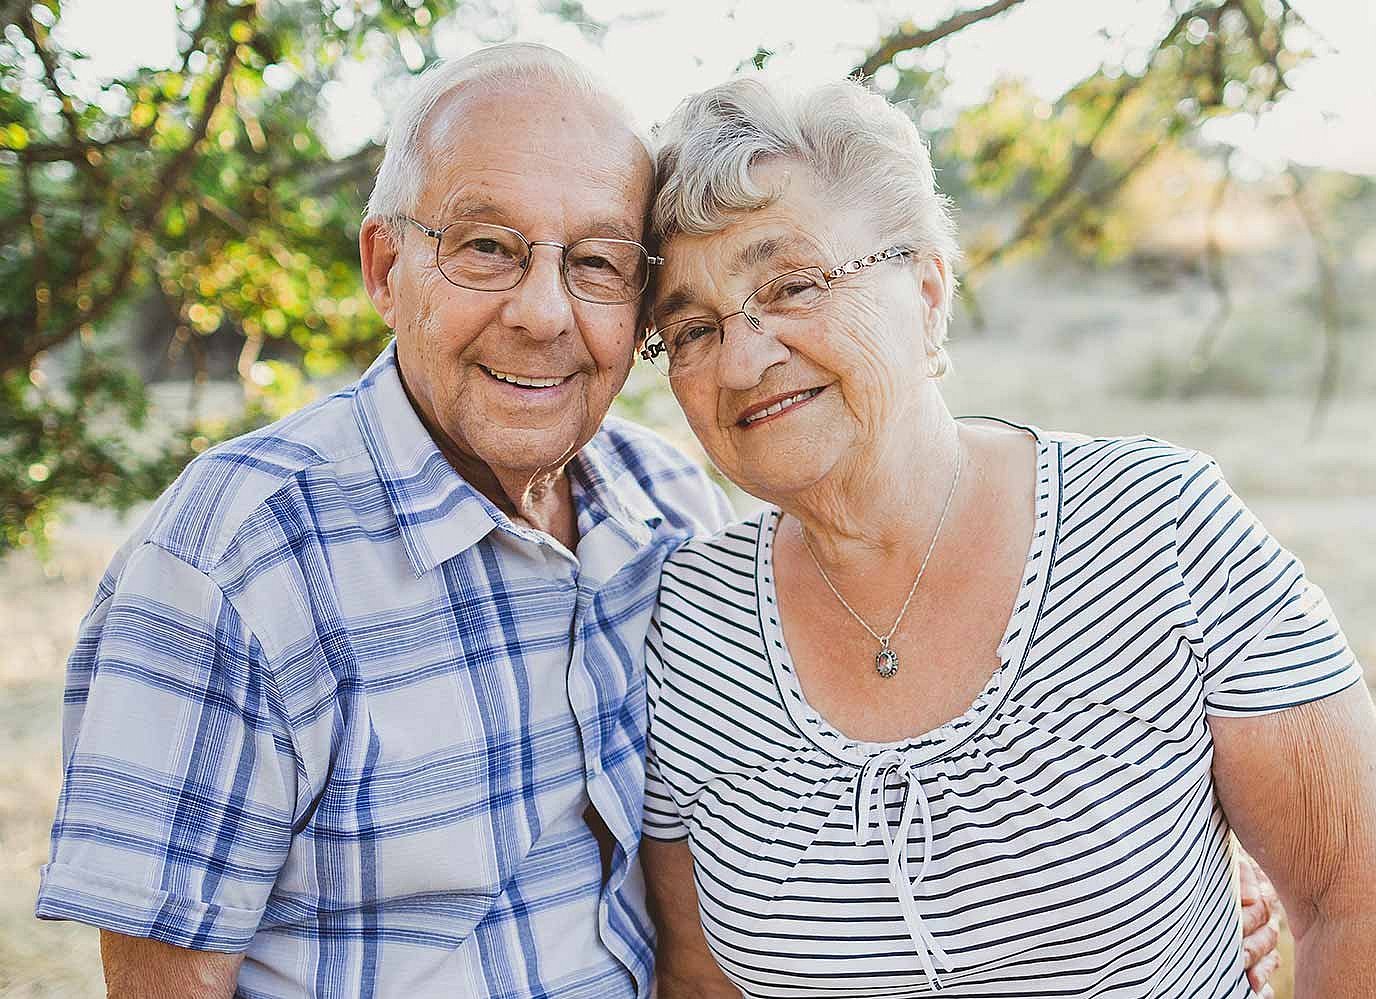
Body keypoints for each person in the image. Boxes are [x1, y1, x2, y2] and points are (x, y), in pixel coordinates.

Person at [33, 44, 1283, 998]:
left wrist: (1142, 875)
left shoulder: (669, 510)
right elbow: (166, 976)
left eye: (594, 265)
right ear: (382, 267)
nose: (541, 313)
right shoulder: (237, 558)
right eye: (484, 248)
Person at [637, 77, 1376, 998]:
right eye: (691, 328)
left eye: (792, 284)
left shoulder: (1157, 526)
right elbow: (698, 980)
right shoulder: (688, 624)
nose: (742, 359)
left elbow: (1357, 901)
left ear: (927, 288)